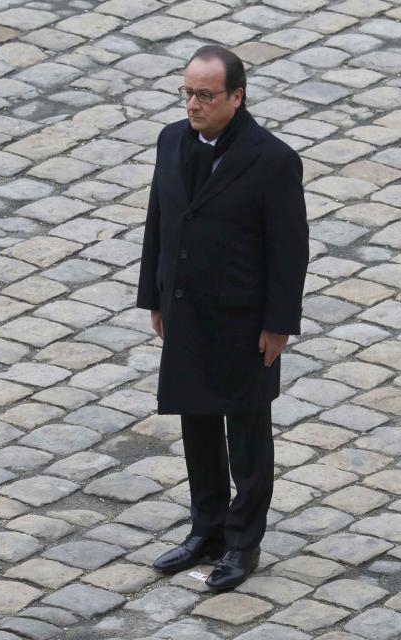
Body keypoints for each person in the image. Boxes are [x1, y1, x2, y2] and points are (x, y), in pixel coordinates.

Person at [136, 44, 308, 592]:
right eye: (187, 92)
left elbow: (289, 251)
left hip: (243, 320)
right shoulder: (171, 141)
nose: (193, 104)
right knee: (197, 423)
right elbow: (159, 220)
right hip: (187, 310)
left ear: (237, 96)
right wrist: (155, 298)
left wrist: (278, 326)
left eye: (205, 95)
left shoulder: (273, 160)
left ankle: (242, 542)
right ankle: (206, 528)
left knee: (248, 437)